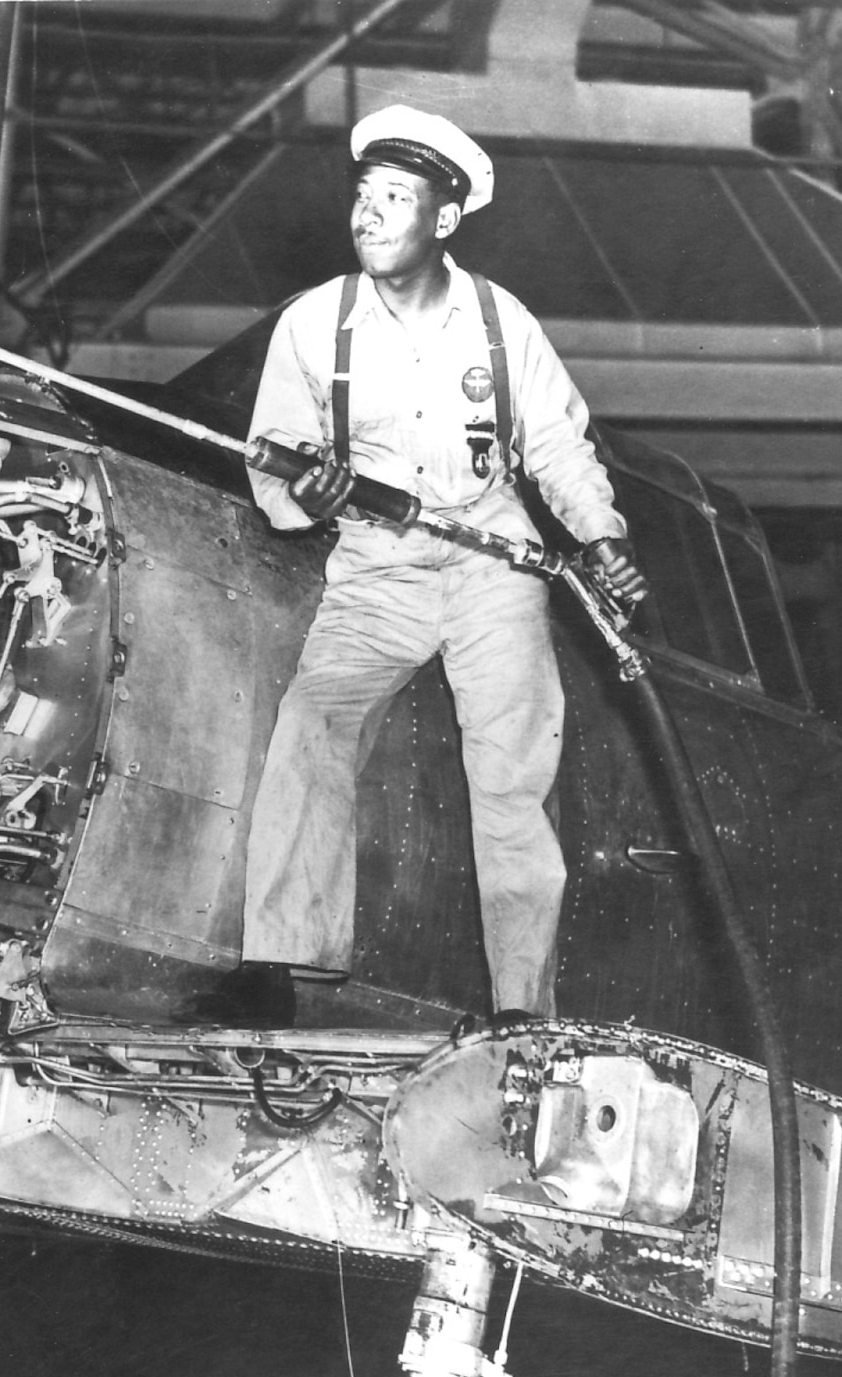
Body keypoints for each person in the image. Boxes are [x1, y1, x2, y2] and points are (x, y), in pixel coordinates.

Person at [182, 105, 645, 1028]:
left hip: (492, 560)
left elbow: (555, 441)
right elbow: (274, 454)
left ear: (443, 219)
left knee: (510, 773)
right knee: (313, 725)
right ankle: (282, 960)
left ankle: (522, 1006)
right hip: (377, 564)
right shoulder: (315, 325)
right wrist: (309, 491)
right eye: (362, 196)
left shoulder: (499, 322)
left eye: (396, 197)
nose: (369, 214)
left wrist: (603, 540)